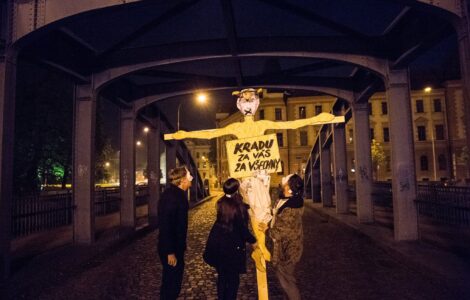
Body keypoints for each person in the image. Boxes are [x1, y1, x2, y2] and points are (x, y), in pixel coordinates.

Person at [203, 178, 257, 300]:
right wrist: (253, 240)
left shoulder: (221, 202)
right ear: (237, 190)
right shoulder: (239, 207)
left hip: (219, 246)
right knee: (233, 280)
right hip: (233, 248)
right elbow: (243, 230)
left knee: (222, 278)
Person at [262, 174, 304, 300]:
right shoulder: (286, 200)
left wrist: (267, 230)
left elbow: (282, 231)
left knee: (287, 283)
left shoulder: (292, 207)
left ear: (290, 188)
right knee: (285, 281)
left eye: (285, 184)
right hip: (284, 248)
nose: (282, 185)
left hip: (288, 250)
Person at [157, 166, 193, 300]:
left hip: (174, 247)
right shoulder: (173, 197)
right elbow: (166, 225)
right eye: (189, 178)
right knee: (172, 283)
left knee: (170, 280)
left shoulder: (173, 194)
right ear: (183, 180)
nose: (192, 180)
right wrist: (170, 251)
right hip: (170, 249)